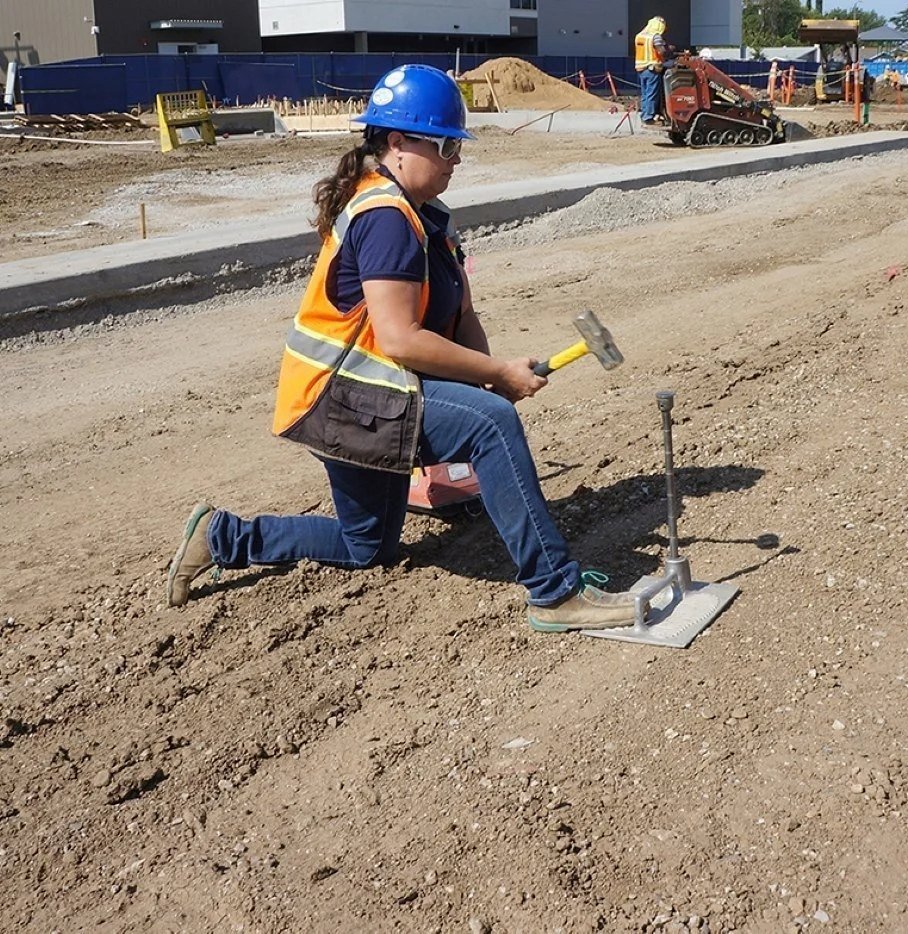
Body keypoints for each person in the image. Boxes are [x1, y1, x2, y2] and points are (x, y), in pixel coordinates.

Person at [165, 64, 637, 633]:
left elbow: (459, 313)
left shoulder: (427, 218)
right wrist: (493, 383)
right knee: (491, 426)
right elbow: (399, 338)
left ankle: (222, 536)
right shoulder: (386, 218)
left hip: (367, 399)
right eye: (444, 144)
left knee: (367, 546)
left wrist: (489, 374)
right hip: (343, 401)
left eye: (457, 145)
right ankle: (555, 593)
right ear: (397, 143)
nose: (455, 158)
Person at [634, 15, 672, 126]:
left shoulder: (639, 36)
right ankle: (649, 117)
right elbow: (662, 52)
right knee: (652, 94)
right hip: (652, 69)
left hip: (641, 69)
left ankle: (645, 115)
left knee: (645, 94)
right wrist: (669, 49)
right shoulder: (655, 37)